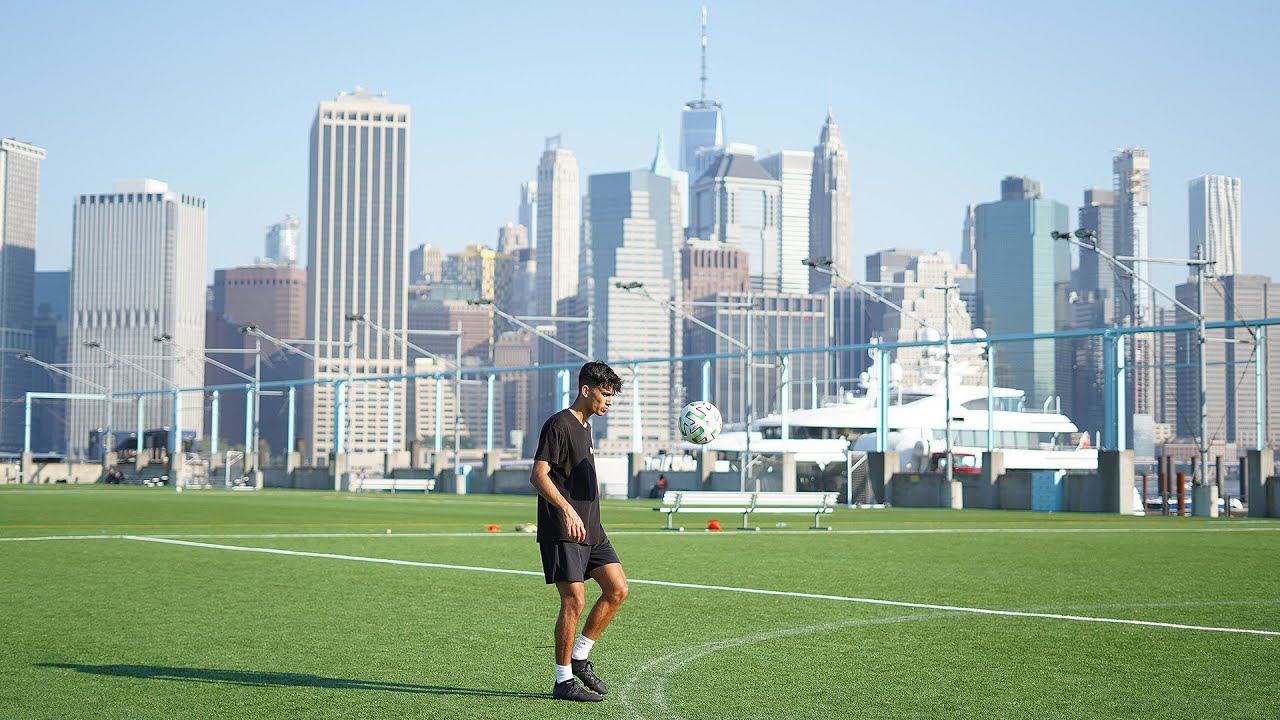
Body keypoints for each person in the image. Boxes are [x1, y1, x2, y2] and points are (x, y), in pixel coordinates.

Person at [530, 361, 629, 702]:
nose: (609, 401)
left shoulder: (586, 426)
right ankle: (562, 681)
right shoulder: (558, 424)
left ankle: (580, 657)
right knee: (574, 600)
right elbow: (539, 475)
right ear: (585, 390)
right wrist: (568, 509)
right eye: (605, 394)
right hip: (563, 528)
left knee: (617, 590)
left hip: (593, 529)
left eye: (612, 396)